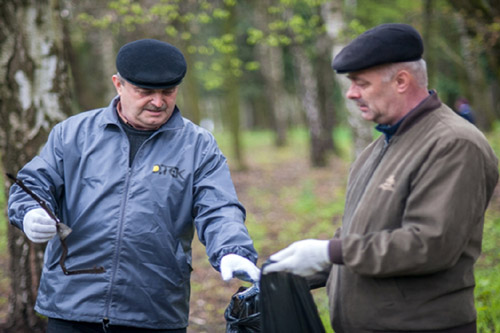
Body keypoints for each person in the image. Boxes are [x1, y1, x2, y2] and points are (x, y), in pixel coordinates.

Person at [8, 38, 260, 333]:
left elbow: (219, 207)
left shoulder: (198, 146)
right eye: (145, 92)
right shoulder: (73, 134)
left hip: (153, 308)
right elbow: (34, 183)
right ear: (118, 84)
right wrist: (29, 213)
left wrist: (232, 249)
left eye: (168, 92)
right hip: (72, 304)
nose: (158, 101)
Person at [264, 23, 498, 333]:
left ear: (402, 81)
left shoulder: (454, 144)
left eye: (361, 83)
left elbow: (430, 243)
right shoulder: (380, 146)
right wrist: (289, 271)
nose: (351, 93)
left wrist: (329, 252)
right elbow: (365, 233)